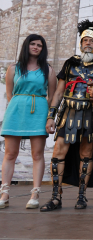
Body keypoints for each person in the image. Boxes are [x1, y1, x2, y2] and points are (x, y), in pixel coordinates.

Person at [40, 20, 93, 211]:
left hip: (91, 116)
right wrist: (51, 116)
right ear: (81, 43)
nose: (87, 43)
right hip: (68, 114)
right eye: (85, 41)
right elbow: (58, 92)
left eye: (91, 41)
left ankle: (81, 196)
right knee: (58, 153)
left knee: (86, 154)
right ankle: (56, 197)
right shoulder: (70, 63)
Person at [0, 34, 56, 209]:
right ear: (27, 46)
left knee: (37, 154)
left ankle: (35, 193)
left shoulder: (48, 69)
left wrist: (49, 117)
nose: (36, 47)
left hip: (39, 109)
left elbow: (52, 97)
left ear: (42, 49)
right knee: (10, 153)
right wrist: (18, 105)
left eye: (39, 45)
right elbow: (9, 95)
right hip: (16, 109)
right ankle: (5, 192)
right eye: (32, 44)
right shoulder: (13, 68)